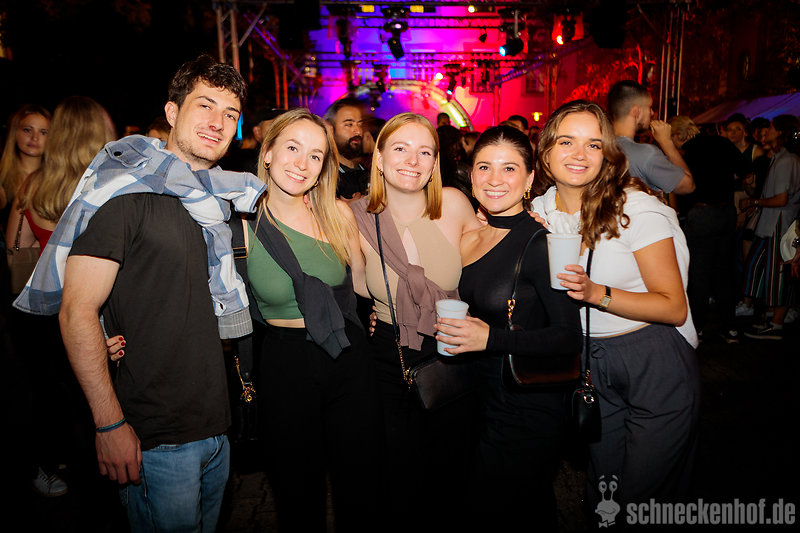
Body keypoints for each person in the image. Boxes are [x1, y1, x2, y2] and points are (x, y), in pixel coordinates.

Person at [56, 55, 260, 533]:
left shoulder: (219, 202)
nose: (218, 122)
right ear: (172, 112)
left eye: (230, 113)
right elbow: (76, 311)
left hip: (215, 426)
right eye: (204, 105)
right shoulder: (122, 195)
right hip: (155, 436)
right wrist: (109, 425)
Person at [531, 100, 701, 515]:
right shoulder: (539, 212)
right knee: (602, 488)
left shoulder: (634, 208)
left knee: (642, 496)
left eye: (593, 144)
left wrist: (597, 294)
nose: (579, 154)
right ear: (546, 153)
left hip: (653, 356)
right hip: (589, 359)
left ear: (607, 154)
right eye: (566, 142)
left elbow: (673, 307)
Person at [433, 125, 582, 529]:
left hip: (524, 405)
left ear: (530, 179)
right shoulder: (470, 236)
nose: (494, 179)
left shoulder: (542, 245)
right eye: (484, 167)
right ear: (470, 173)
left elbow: (569, 337)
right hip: (473, 399)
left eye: (509, 168)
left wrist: (490, 338)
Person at [240, 107, 380, 532]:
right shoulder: (240, 223)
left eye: (315, 155)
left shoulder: (337, 213)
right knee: (297, 493)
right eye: (292, 148)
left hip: (347, 356)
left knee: (359, 487)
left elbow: (364, 284)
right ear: (267, 153)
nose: (302, 163)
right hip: (285, 365)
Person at [347, 112, 482, 526]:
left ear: (435, 162)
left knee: (450, 469)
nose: (413, 160)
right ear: (380, 157)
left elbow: (494, 254)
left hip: (450, 349)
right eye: (401, 148)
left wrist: (533, 221)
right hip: (387, 354)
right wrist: (379, 310)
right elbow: (356, 283)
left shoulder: (455, 205)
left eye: (425, 152)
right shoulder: (354, 216)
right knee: (396, 470)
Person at [5, 97, 112, 498]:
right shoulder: (107, 187)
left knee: (53, 393)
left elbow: (17, 248)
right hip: (97, 306)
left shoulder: (33, 185)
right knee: (96, 393)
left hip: (45, 310)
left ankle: (67, 471)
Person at [669, 115, 748, 343]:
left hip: (702, 214)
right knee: (724, 271)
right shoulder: (721, 142)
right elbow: (745, 169)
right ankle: (729, 327)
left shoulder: (686, 154)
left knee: (699, 274)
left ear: (678, 136)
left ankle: (697, 328)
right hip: (726, 212)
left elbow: (680, 186)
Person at [738, 114, 800, 339]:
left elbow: (781, 199)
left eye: (772, 127)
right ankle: (772, 316)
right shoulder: (780, 158)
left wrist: (754, 202)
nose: (767, 131)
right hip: (772, 223)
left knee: (778, 273)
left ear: (781, 132)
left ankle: (776, 324)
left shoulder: (786, 161)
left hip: (779, 223)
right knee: (759, 267)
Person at [607, 80, 695, 197]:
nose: (652, 113)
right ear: (636, 112)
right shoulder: (646, 154)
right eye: (649, 107)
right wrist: (667, 142)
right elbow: (688, 186)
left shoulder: (598, 146)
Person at [0, 104, 51, 220]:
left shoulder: (57, 179)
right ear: (14, 133)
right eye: (27, 130)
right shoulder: (2, 179)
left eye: (43, 132)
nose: (35, 137)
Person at [324, 97, 369, 200]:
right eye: (349, 124)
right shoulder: (325, 175)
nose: (358, 131)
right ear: (330, 129)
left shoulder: (367, 172)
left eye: (360, 124)